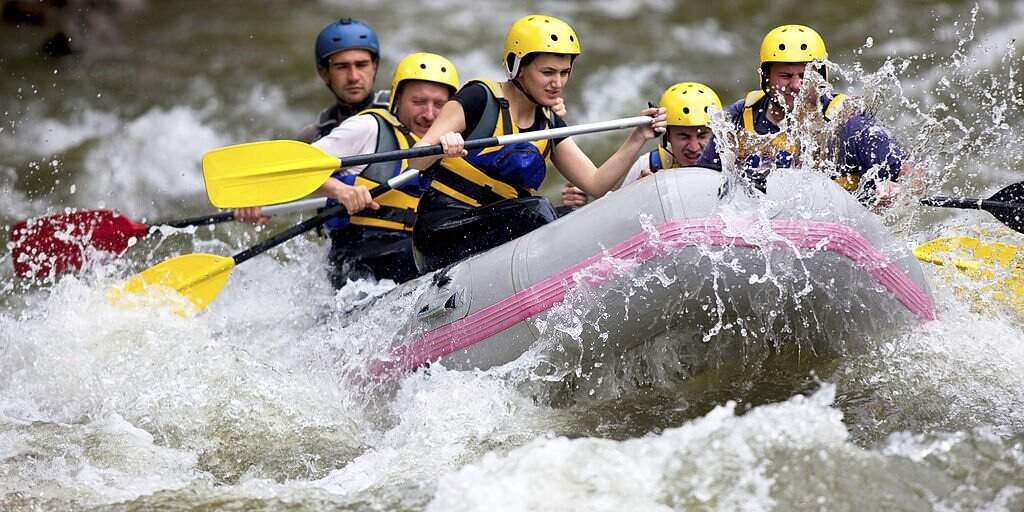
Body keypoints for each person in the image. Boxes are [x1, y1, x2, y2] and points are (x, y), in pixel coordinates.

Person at [406, 14, 666, 272]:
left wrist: (637, 138)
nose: (557, 83)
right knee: (537, 210)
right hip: (441, 232)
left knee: (573, 214)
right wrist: (442, 144)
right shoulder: (479, 98)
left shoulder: (548, 123)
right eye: (547, 72)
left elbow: (595, 183)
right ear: (516, 67)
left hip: (496, 230)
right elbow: (416, 159)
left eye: (564, 73)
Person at [696, 24, 908, 206]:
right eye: (785, 76)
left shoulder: (849, 125)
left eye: (805, 76)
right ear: (766, 78)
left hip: (839, 236)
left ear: (820, 77)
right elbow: (702, 182)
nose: (796, 85)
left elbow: (914, 174)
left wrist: (899, 189)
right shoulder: (737, 119)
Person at [311, 52, 460, 287]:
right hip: (361, 259)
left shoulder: (455, 143)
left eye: (439, 105)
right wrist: (340, 190)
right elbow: (298, 170)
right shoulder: (368, 128)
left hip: (416, 251)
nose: (429, 114)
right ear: (397, 99)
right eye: (418, 102)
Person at [296, 18, 389, 144]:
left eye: (361, 65)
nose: (353, 77)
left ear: (375, 66)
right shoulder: (313, 138)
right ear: (323, 73)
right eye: (341, 67)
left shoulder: (403, 111)